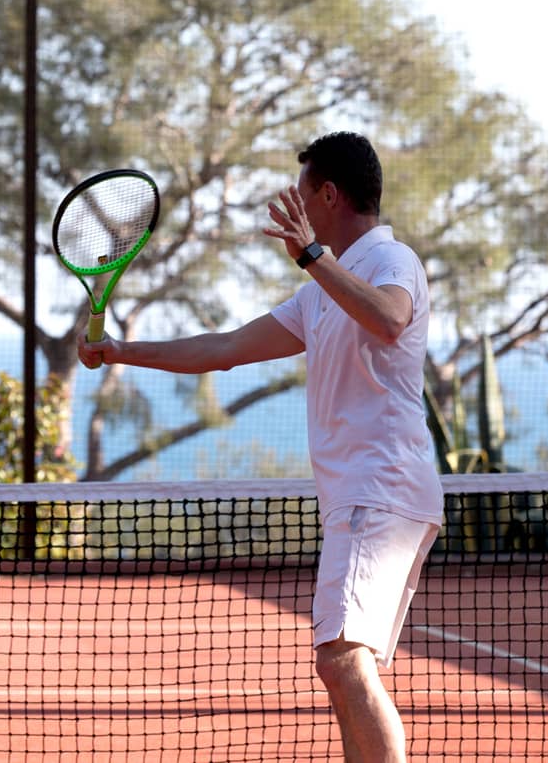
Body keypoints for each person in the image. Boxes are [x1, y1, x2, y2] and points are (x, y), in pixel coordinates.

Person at [78, 132, 443, 763]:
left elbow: (389, 318)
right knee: (344, 665)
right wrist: (121, 352)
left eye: (302, 196)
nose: (293, 210)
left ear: (328, 196)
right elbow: (221, 350)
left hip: (379, 490)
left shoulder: (391, 261)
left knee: (342, 658)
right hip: (367, 496)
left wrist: (312, 256)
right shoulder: (318, 294)